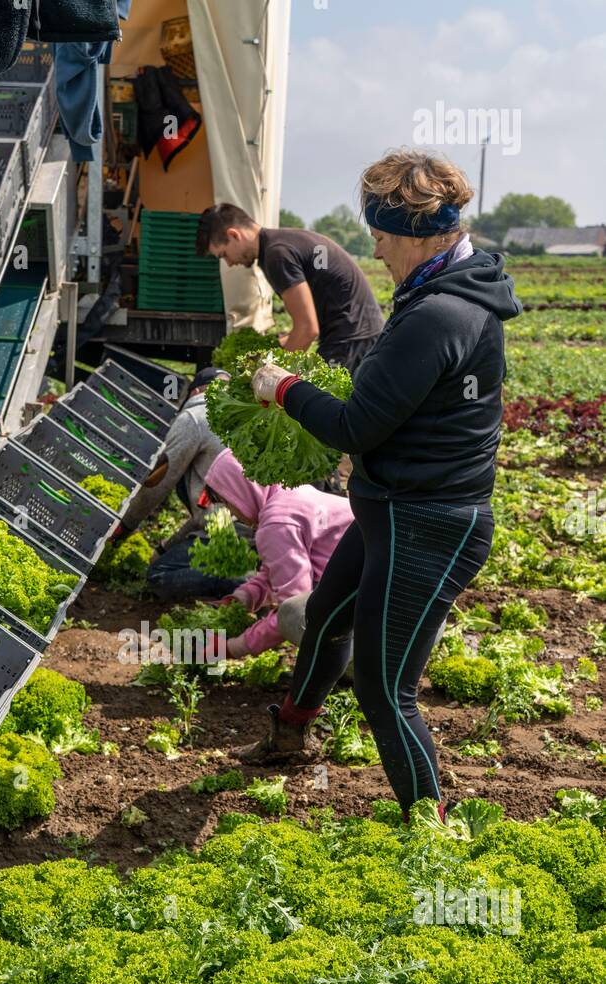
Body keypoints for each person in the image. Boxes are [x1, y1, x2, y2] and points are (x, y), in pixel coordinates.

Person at [237, 149, 522, 820]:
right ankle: (287, 735)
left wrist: (282, 387)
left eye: (383, 236)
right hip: (389, 510)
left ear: (419, 234)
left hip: (426, 523)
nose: (376, 249)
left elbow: (355, 426)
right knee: (325, 622)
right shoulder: (441, 292)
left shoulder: (437, 315)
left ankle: (431, 833)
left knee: (383, 688)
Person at [114, 366, 251, 601]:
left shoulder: (195, 417)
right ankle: (252, 571)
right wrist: (165, 548)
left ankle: (242, 582)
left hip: (230, 531)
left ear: (195, 390)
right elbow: (208, 511)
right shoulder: (241, 418)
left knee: (159, 575)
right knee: (165, 560)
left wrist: (125, 524)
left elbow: (158, 482)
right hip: (261, 528)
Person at [195, 203, 385, 373]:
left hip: (351, 339)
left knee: (319, 407)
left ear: (233, 235)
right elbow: (303, 328)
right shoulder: (277, 244)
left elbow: (307, 329)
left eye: (223, 255)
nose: (228, 263)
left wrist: (274, 378)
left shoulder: (276, 255)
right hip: (357, 334)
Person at [203, 449, 353, 660]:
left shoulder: (277, 522)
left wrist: (233, 647)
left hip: (375, 603)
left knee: (297, 619)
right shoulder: (288, 496)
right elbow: (275, 570)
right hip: (385, 582)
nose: (231, 512)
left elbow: (294, 607)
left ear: (242, 489)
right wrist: (245, 597)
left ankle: (354, 663)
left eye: (227, 502)